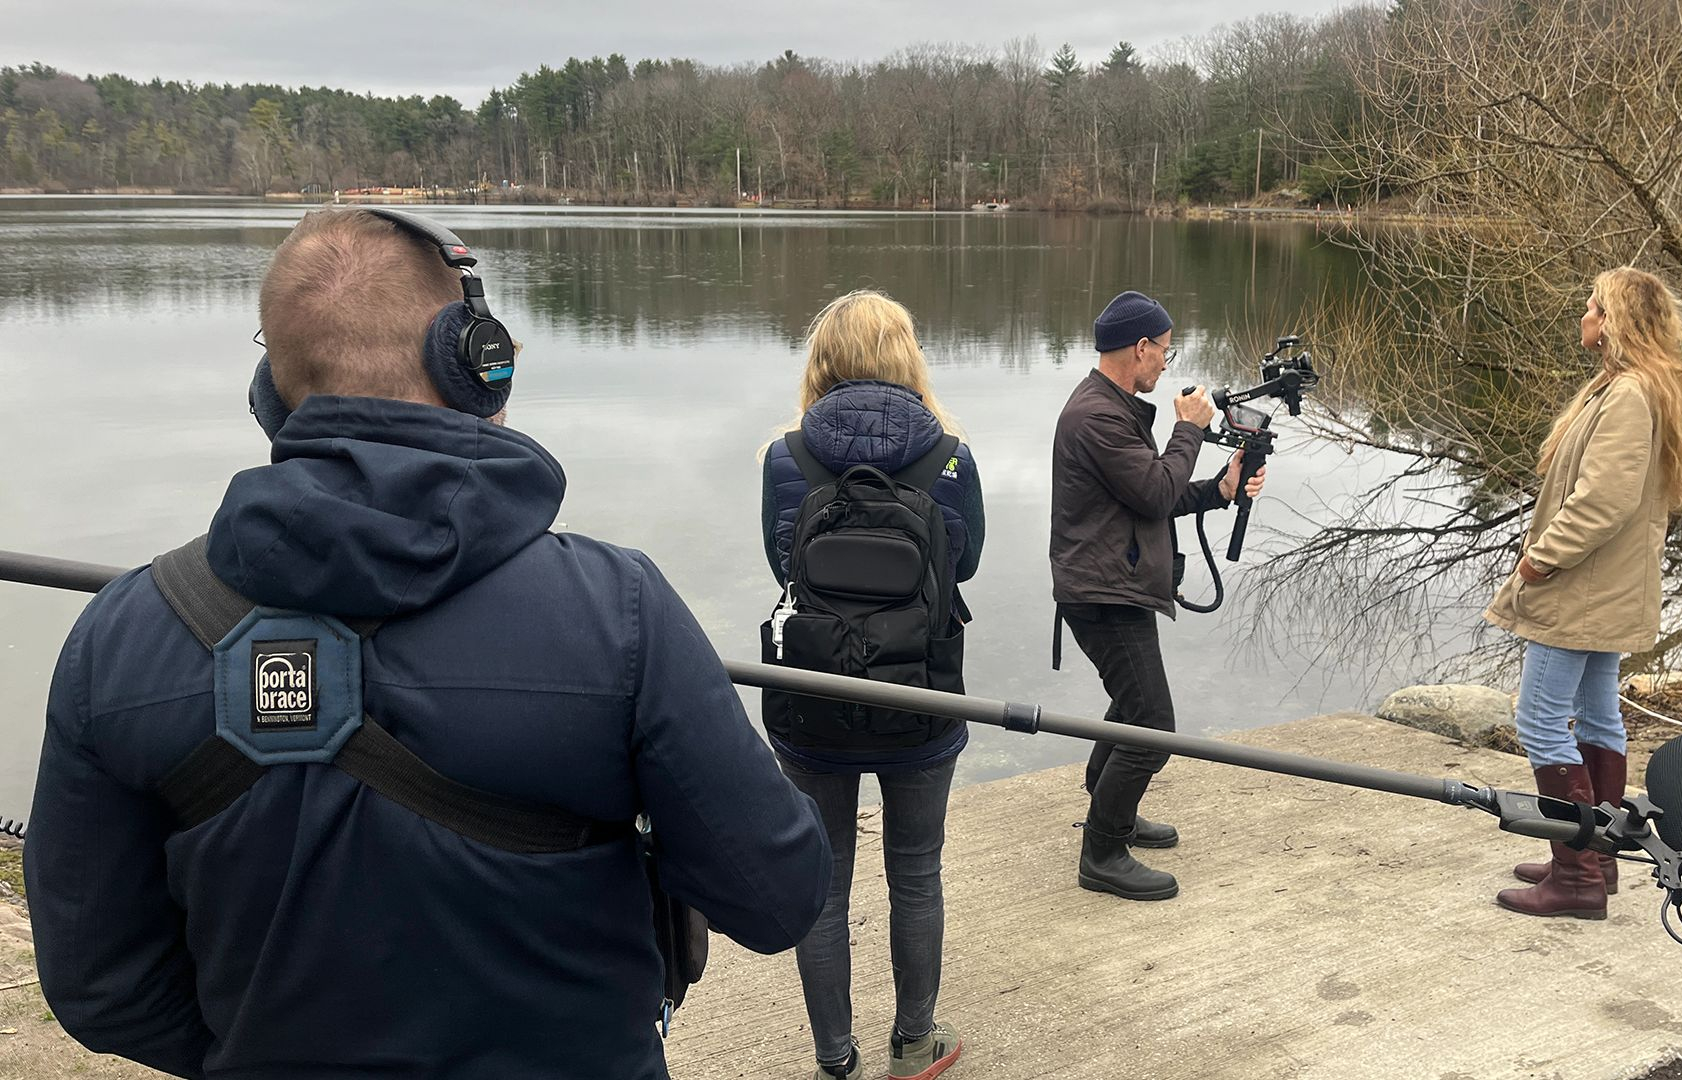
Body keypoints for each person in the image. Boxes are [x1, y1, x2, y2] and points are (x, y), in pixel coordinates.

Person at [26, 208, 832, 1079]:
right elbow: (777, 897)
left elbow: (97, 986)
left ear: (274, 390)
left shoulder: (119, 637)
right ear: (475, 363)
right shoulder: (619, 610)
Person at [760, 290, 983, 1080]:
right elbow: (969, 564)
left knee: (822, 889)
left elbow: (779, 563)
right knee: (916, 874)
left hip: (813, 700)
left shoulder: (787, 456)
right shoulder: (949, 454)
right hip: (920, 700)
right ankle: (915, 1045)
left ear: (821, 360)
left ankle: (834, 1061)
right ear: (907, 357)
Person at [1484, 267, 1682, 920]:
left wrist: (1538, 563)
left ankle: (1576, 875)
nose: (1584, 313)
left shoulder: (1630, 394)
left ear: (1614, 322)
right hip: (1604, 588)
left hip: (1581, 589)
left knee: (1541, 720)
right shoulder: (1629, 389)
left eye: (1594, 305)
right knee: (1598, 715)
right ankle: (1595, 856)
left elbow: (1603, 500)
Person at [1050, 290, 1265, 902]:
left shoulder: (1113, 407)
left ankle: (1110, 810)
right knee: (1153, 721)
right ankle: (1102, 852)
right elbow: (1151, 491)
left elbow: (1155, 491)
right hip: (1102, 592)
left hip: (1110, 582)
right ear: (1140, 347)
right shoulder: (1096, 415)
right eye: (1164, 355)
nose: (1166, 367)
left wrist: (1220, 490)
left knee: (1133, 704)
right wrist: (1189, 430)